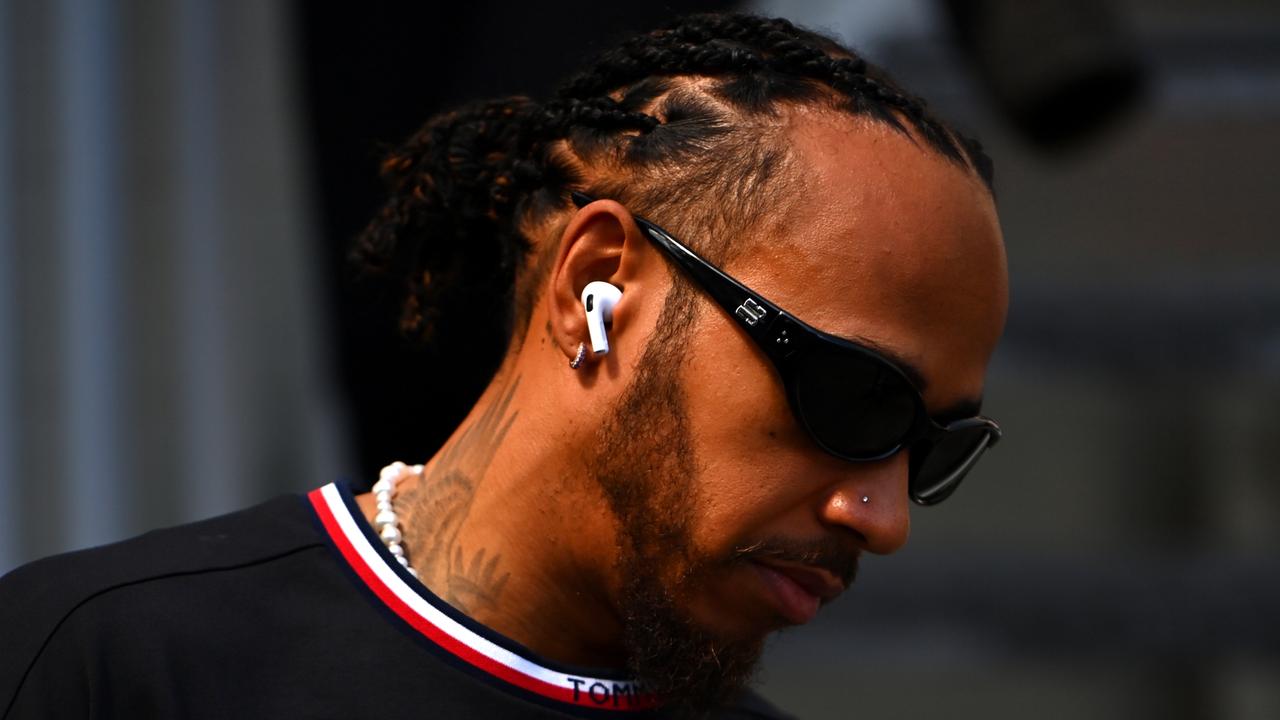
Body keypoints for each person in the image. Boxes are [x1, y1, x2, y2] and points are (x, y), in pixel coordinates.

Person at [0, 12, 1008, 720]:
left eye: (933, 451)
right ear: (595, 285)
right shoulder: (110, 660)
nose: (882, 520)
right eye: (853, 397)